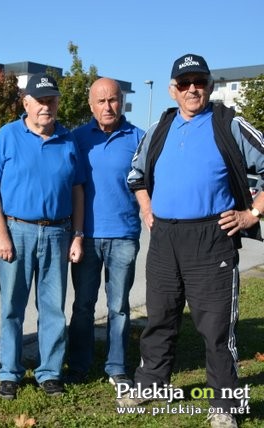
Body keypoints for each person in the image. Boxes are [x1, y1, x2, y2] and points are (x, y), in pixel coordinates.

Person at [122, 54, 264, 428]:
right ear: (173, 89)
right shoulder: (160, 127)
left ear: (210, 85)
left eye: (198, 81)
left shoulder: (228, 124)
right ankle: (152, 383)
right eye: (184, 83)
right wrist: (147, 209)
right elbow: (136, 175)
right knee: (160, 318)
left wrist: (253, 213)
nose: (192, 89)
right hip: (165, 237)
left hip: (211, 237)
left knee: (216, 327)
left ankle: (225, 405)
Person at [0, 72, 85, 400]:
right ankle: (10, 373)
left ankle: (50, 372)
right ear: (25, 103)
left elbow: (78, 190)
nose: (47, 106)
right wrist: (0, 234)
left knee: (53, 307)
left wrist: (78, 234)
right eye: (40, 101)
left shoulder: (68, 140)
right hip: (16, 231)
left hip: (58, 232)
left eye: (51, 100)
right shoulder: (7, 136)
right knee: (12, 307)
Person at [66, 78, 143, 388]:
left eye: (113, 100)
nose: (108, 106)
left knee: (119, 306)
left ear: (121, 101)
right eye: (101, 101)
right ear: (91, 105)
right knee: (83, 305)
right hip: (85, 236)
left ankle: (116, 366)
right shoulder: (77, 139)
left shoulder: (138, 137)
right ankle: (79, 364)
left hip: (124, 235)